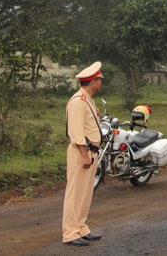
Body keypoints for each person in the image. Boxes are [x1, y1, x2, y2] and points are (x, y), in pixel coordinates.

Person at [62, 61, 104, 246]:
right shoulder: (78, 102)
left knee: (85, 193)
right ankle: (70, 232)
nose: (101, 82)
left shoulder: (87, 99)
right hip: (81, 152)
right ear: (93, 81)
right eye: (99, 79)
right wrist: (84, 153)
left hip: (90, 151)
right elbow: (76, 131)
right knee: (75, 193)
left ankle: (81, 227)